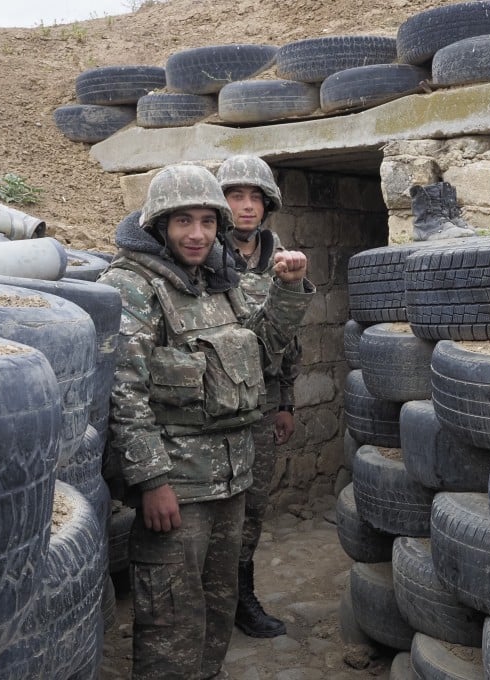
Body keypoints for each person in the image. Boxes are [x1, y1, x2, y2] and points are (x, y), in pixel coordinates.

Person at [99, 164, 313, 680]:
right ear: (158, 227)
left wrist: (288, 289)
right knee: (171, 618)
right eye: (182, 222)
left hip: (232, 480)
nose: (196, 235)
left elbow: (262, 350)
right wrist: (151, 482)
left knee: (217, 611)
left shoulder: (219, 281)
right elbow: (122, 393)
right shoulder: (131, 286)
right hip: (178, 488)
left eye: (206, 222)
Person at [216, 155, 301, 638]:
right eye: (235, 195)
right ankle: (214, 599)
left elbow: (290, 340)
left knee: (253, 503)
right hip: (215, 399)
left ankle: (241, 598)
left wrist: (285, 401)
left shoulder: (281, 258)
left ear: (267, 205)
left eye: (255, 197)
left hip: (263, 400)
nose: (246, 207)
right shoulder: (201, 251)